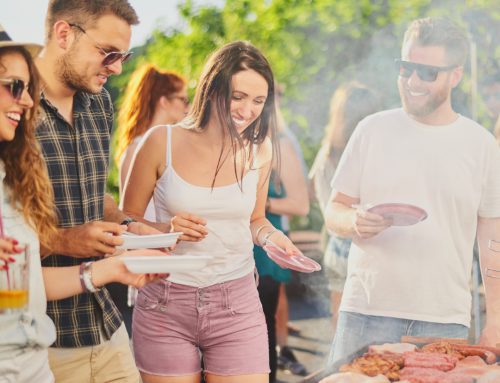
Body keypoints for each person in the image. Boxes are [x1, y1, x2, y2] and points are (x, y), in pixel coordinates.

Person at [122, 40, 303, 383]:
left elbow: (255, 219)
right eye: (238, 96)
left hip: (236, 300)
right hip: (165, 301)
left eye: (258, 101)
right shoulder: (162, 142)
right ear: (212, 87)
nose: (247, 111)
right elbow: (124, 221)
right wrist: (165, 229)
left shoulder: (259, 150)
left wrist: (273, 238)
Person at [324, 17, 500, 366]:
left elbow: (493, 241)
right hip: (364, 311)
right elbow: (335, 209)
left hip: (443, 319)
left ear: (456, 75)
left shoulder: (481, 144)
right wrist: (353, 220)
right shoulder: (371, 130)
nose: (412, 81)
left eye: (427, 73)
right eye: (405, 68)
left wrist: (496, 320)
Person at [0, 26, 166, 383]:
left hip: (39, 362)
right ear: (64, 34)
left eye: (28, 88)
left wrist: (117, 261)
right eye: (15, 87)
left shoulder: (11, 181)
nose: (28, 101)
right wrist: (65, 241)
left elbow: (26, 283)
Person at [112, 63, 189, 334]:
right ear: (164, 101)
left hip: (167, 260)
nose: (188, 108)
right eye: (183, 99)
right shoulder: (140, 147)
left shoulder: (156, 144)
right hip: (156, 265)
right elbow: (128, 216)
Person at [309, 82, 381, 331]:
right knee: (373, 325)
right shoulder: (367, 152)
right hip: (364, 244)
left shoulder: (325, 153)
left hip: (335, 246)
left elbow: (316, 195)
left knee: (341, 320)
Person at [253, 91, 309, 381]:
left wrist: (261, 204)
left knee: (263, 332)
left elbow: (301, 204)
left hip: (264, 251)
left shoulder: (280, 143)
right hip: (230, 252)